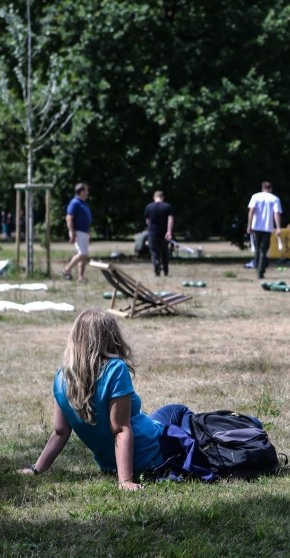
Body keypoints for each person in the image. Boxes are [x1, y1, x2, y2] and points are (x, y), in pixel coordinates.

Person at [17, 309, 195, 491]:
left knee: (160, 416)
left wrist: (36, 469)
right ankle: (202, 443)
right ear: (110, 337)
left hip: (109, 464)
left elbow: (60, 432)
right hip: (152, 454)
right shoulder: (115, 369)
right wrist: (125, 481)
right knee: (178, 411)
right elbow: (120, 429)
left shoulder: (62, 377)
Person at [247, 181, 282, 280]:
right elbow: (276, 214)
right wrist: (278, 227)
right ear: (271, 189)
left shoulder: (255, 197)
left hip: (256, 226)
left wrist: (249, 225)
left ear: (262, 188)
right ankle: (260, 271)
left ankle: (257, 268)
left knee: (257, 249)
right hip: (267, 227)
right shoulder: (275, 199)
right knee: (263, 250)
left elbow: (251, 211)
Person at [63, 182, 92, 283]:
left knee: (84, 256)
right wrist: (71, 232)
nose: (87, 192)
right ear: (81, 191)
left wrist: (88, 233)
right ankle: (67, 269)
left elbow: (86, 219)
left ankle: (81, 277)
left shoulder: (83, 203)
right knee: (82, 254)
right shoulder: (75, 203)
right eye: (86, 190)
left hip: (84, 232)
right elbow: (69, 218)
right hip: (78, 232)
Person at [144, 190, 175, 277]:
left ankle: (157, 269)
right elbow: (170, 219)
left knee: (154, 252)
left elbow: (147, 220)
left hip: (152, 233)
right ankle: (165, 270)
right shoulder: (167, 206)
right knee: (165, 251)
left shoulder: (149, 207)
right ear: (162, 197)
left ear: (154, 197)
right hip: (164, 233)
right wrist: (169, 231)